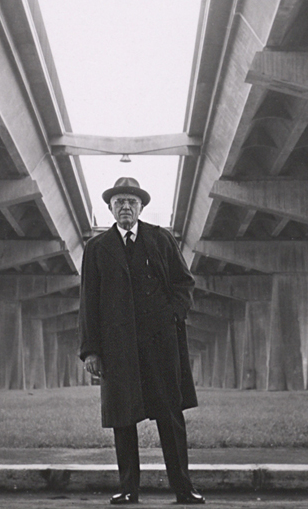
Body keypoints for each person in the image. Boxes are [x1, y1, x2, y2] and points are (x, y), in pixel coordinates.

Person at [79, 177, 205, 505]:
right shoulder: (97, 248)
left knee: (170, 415)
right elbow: (88, 300)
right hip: (118, 347)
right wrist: (91, 350)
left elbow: (184, 283)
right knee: (123, 418)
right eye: (119, 202)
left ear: (141, 207)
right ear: (110, 208)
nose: (125, 207)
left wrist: (173, 315)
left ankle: (183, 488)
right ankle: (128, 489)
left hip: (160, 344)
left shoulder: (161, 239)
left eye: (131, 202)